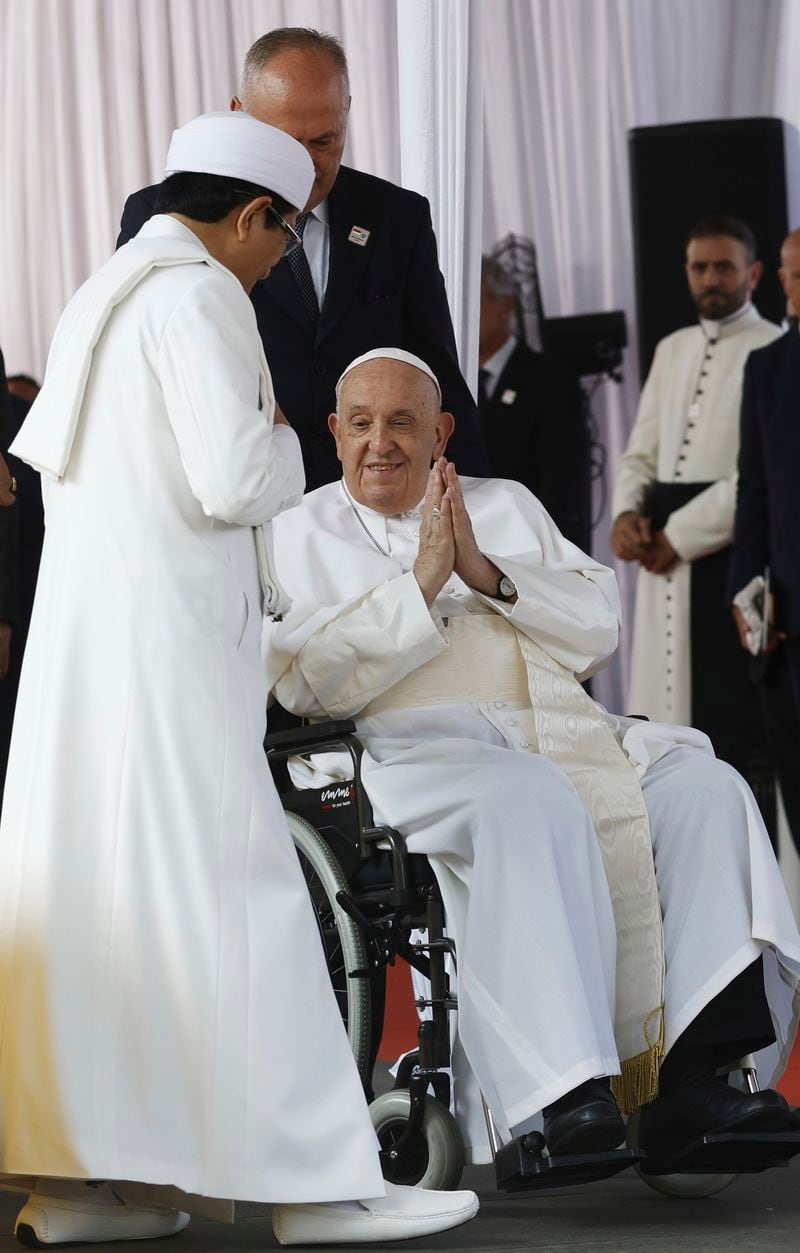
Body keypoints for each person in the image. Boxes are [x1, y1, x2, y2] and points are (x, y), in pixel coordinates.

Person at [0, 115, 478, 1248]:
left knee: (107, 911)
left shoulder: (102, 293)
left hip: (88, 667)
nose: (273, 267)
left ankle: (91, 1184)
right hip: (170, 662)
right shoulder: (202, 295)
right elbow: (234, 476)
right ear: (254, 214)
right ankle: (316, 1183)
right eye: (281, 239)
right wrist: (284, 442)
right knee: (236, 895)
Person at [264, 347, 800, 1168]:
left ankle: (696, 1077)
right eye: (363, 424)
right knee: (529, 796)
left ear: (441, 430)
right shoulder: (297, 532)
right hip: (407, 747)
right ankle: (561, 1095)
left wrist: (482, 571)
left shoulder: (504, 505)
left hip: (558, 725)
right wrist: (417, 588)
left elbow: (596, 628)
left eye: (404, 422)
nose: (383, 443)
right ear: (333, 433)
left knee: (707, 786)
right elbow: (305, 681)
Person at [118, 27, 487, 491]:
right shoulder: (164, 217)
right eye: (285, 143)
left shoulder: (397, 216)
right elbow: (143, 389)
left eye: (324, 142)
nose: (306, 165)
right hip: (235, 507)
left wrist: (476, 503)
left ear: (347, 113)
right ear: (239, 116)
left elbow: (435, 376)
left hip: (371, 512)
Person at [610, 215, 781, 780]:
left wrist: (678, 537)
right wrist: (628, 513)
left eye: (723, 267)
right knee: (661, 728)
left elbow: (763, 476)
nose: (711, 278)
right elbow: (639, 452)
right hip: (662, 564)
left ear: (753, 274)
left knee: (729, 734)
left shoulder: (776, 351)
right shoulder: (672, 348)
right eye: (699, 267)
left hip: (726, 557)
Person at [728, 227, 800, 853]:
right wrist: (744, 587)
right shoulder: (768, 367)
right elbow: (753, 491)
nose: (793, 286)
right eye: (790, 273)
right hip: (787, 629)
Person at [478, 256, 590, 550]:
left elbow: (562, 493)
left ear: (505, 306)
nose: (457, 314)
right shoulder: (445, 384)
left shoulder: (552, 381)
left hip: (529, 555)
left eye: (473, 302)